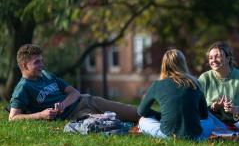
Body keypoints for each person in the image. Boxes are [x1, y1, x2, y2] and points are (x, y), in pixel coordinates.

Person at [8, 44, 140, 122]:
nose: (42, 65)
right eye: (37, 62)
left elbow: (74, 92)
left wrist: (63, 104)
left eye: (42, 60)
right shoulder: (23, 88)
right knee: (114, 123)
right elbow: (13, 117)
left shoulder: (47, 75)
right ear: (24, 66)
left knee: (137, 112)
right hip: (77, 116)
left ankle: (159, 117)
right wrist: (41, 115)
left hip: (87, 101)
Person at [137, 49, 212, 140]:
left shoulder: (157, 85)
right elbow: (204, 115)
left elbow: (141, 111)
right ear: (183, 64)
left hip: (168, 135)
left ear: (164, 65)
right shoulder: (195, 83)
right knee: (210, 121)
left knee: (143, 120)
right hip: (196, 136)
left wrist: (159, 115)